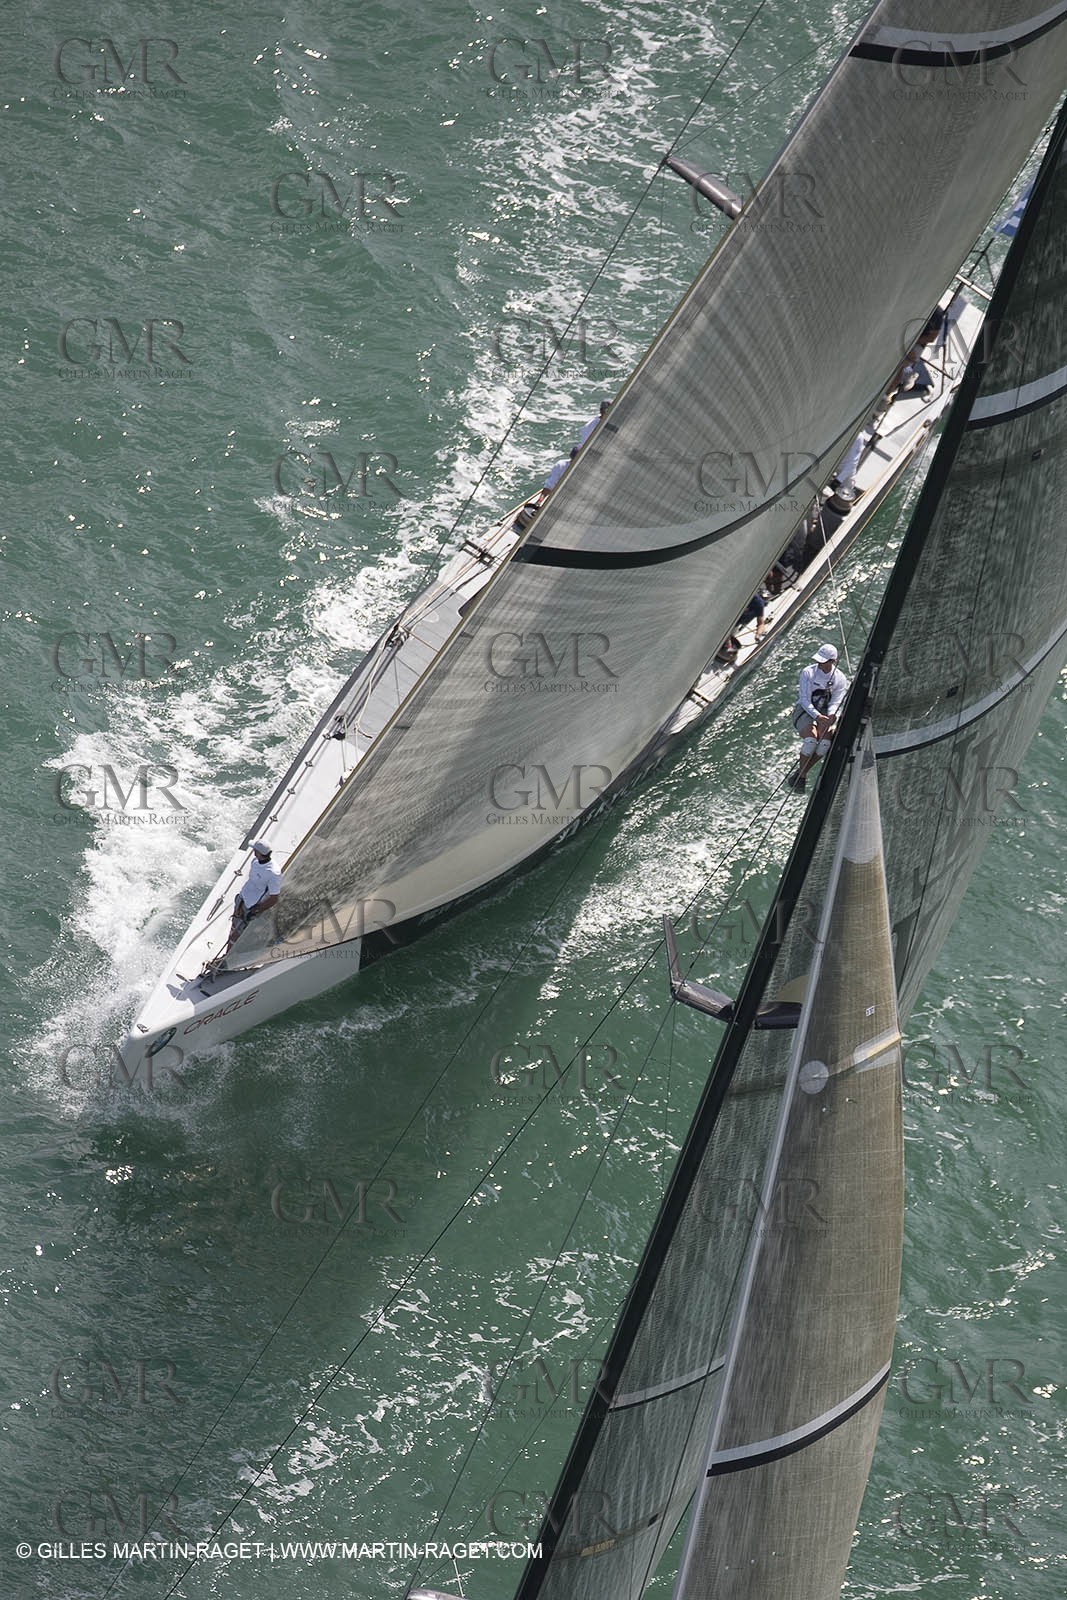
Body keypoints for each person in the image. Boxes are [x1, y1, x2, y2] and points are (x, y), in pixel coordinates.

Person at [789, 643, 849, 791]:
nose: (819, 664)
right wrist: (817, 716)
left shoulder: (840, 679)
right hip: (805, 710)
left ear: (832, 662)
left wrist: (831, 716)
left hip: (824, 712)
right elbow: (804, 699)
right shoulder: (808, 672)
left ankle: (800, 773)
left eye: (823, 661)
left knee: (823, 746)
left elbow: (835, 701)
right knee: (811, 741)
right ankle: (802, 777)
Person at [222, 841, 282, 956]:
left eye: (255, 850)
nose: (253, 851)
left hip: (251, 906)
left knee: (236, 934)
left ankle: (227, 958)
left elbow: (274, 898)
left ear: (259, 853)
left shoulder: (274, 873)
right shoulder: (255, 861)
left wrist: (256, 910)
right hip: (242, 899)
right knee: (234, 927)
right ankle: (228, 953)